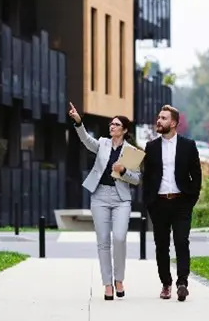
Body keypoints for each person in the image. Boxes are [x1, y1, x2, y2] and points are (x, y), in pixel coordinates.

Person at [68, 102, 141, 301]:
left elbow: (136, 179)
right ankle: (108, 284)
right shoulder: (102, 143)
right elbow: (85, 140)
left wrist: (124, 171)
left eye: (116, 124)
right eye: (111, 124)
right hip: (99, 195)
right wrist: (78, 122)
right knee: (103, 242)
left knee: (119, 238)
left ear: (125, 130)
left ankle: (119, 279)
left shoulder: (132, 152)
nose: (112, 126)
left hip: (121, 199)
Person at [142, 104, 202, 302]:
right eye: (159, 117)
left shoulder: (188, 145)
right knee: (161, 246)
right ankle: (166, 283)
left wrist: (190, 199)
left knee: (182, 242)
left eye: (164, 118)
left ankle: (182, 283)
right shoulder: (151, 147)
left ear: (174, 123)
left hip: (181, 202)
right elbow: (147, 177)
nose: (159, 121)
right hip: (158, 203)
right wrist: (149, 202)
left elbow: (197, 175)